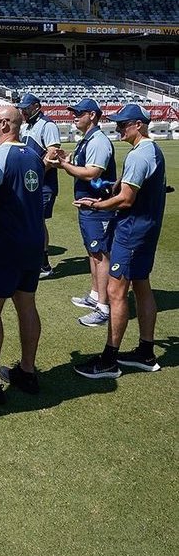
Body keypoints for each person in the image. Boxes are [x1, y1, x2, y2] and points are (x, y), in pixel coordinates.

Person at [74, 104, 166, 378]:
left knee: (116, 293)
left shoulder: (140, 155)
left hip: (131, 232)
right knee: (141, 286)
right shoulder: (151, 151)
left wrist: (97, 206)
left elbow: (127, 199)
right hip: (145, 229)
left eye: (123, 124)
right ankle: (146, 352)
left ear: (138, 124)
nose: (118, 129)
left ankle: (109, 359)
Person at [0, 105, 45, 404]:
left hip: (4, 245)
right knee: (26, 304)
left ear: (4, 124)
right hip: (32, 243)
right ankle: (27, 371)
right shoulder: (34, 156)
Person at [52, 98, 116, 327]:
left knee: (101, 255)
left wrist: (64, 166)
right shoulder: (87, 140)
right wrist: (66, 161)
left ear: (92, 115)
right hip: (88, 206)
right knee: (93, 252)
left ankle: (103, 307)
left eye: (78, 113)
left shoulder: (98, 141)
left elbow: (92, 173)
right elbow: (81, 168)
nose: (74, 116)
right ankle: (95, 296)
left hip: (99, 207)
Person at [18, 93, 61, 278]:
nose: (23, 111)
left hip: (44, 184)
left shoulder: (48, 125)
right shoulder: (27, 125)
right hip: (31, 184)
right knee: (32, 222)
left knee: (36, 222)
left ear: (36, 106)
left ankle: (43, 265)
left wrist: (36, 171)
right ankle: (36, 262)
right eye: (22, 108)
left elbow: (53, 153)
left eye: (26, 108)